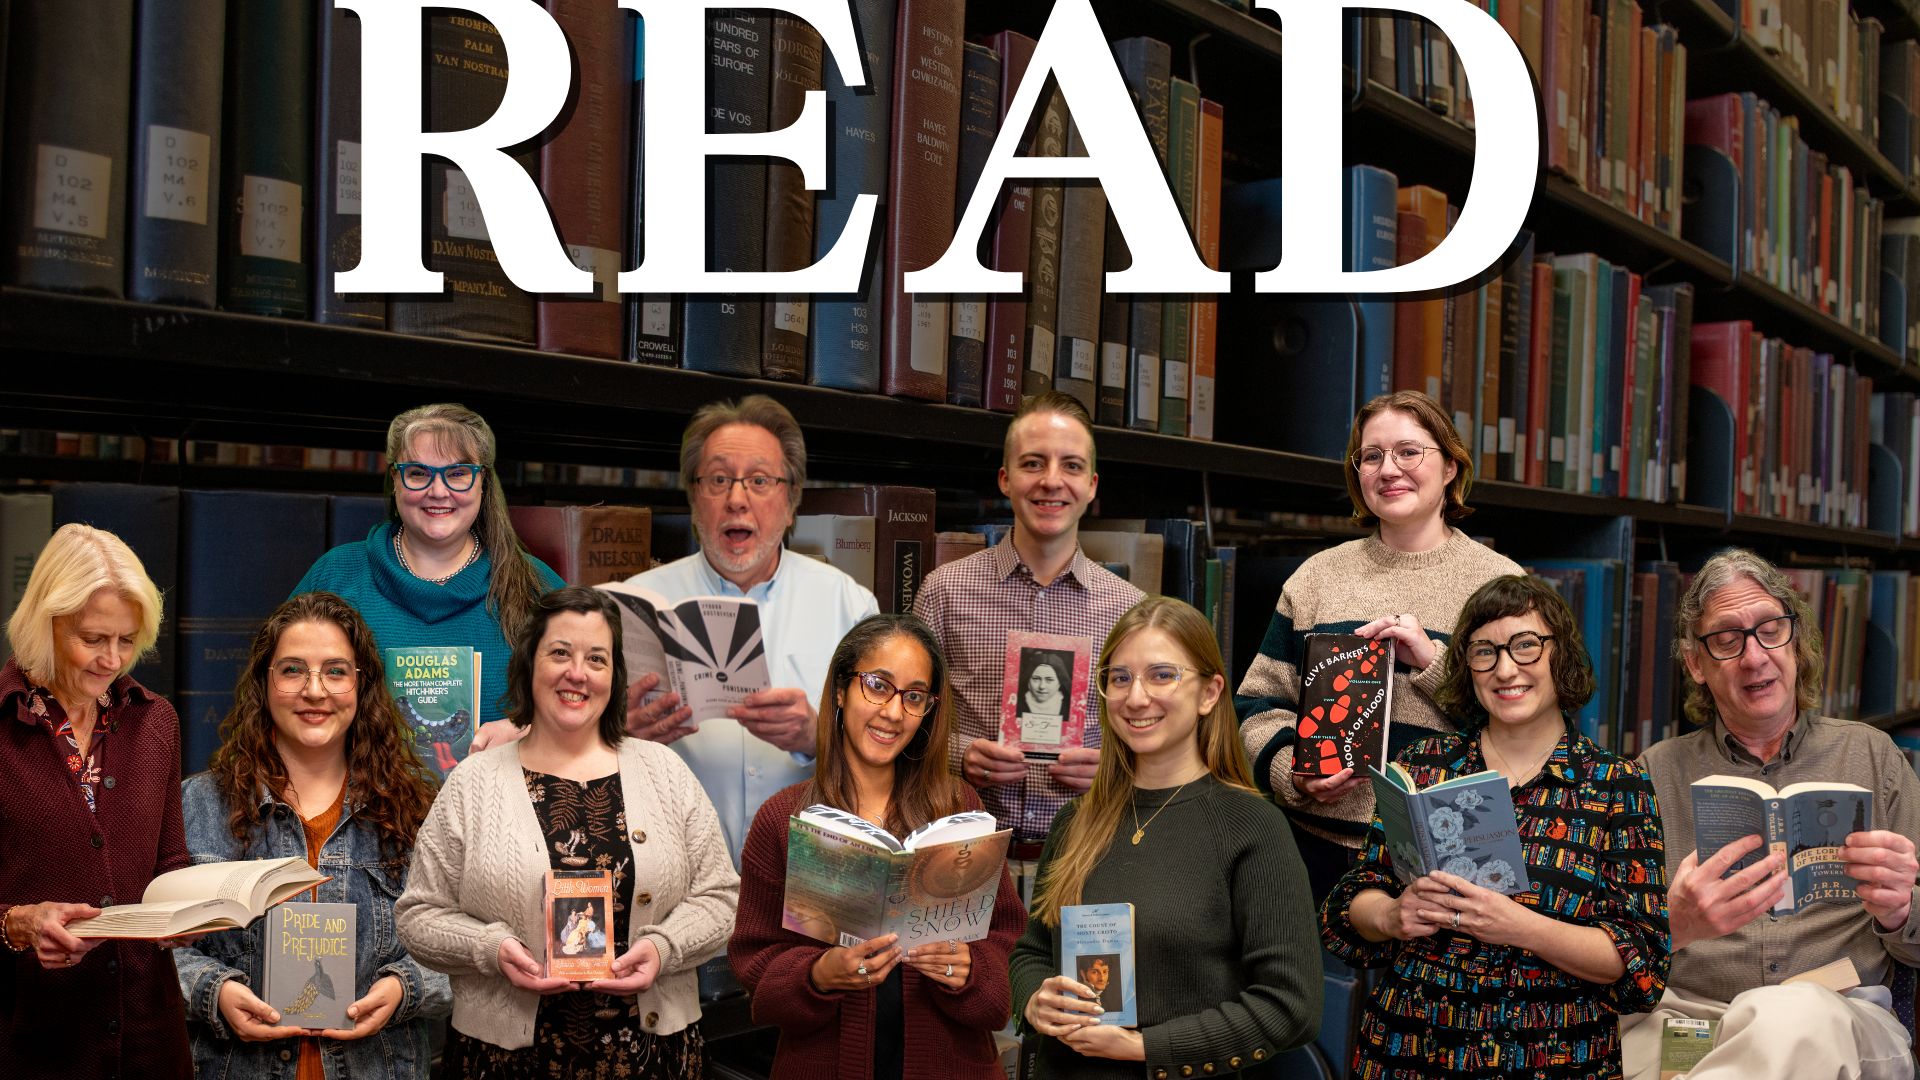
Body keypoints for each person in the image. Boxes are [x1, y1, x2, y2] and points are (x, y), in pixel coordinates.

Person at [1322, 574, 1670, 1077]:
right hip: (1409, 1050)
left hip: (1554, 1059)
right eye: (1484, 651)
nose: (1506, 669)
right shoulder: (1423, 767)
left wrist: (1520, 928)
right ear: (1468, 666)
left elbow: (1642, 962)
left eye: (1526, 646)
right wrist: (1393, 914)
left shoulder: (1617, 784)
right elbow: (1347, 907)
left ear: (1561, 655)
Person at [396, 587, 739, 1078]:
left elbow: (722, 898)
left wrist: (664, 948)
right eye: (560, 653)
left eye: (596, 659)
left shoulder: (665, 771)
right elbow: (417, 916)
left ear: (613, 676)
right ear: (529, 663)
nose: (577, 673)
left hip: (652, 1059)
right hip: (504, 1062)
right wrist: (489, 949)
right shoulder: (473, 782)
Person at [1621, 549, 1920, 1080]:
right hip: (1687, 1019)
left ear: (1796, 642)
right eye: (1727, 639)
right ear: (1696, 664)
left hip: (1838, 1016)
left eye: (1769, 630)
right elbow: (1612, 948)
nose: (1754, 657)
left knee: (1790, 1015)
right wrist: (1675, 925)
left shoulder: (1875, 758)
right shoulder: (1654, 773)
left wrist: (1899, 912)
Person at [1012, 597, 1320, 1079]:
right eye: (1120, 678)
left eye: (1161, 675)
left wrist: (1144, 1048)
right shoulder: (1075, 821)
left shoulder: (1252, 827)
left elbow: (1290, 1006)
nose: (1136, 698)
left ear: (1209, 693)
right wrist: (1034, 999)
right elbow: (1032, 950)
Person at [1236, 390, 1522, 900]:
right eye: (1372, 456)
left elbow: (1532, 729)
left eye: (1409, 451)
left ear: (1451, 467)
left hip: (1451, 858)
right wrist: (1293, 771)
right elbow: (1256, 708)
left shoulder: (1503, 587)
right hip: (1314, 849)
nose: (1389, 469)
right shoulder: (1316, 579)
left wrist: (1434, 663)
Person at [729, 613, 1025, 1080]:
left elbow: (1005, 948)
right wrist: (818, 975)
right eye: (877, 685)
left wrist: (968, 969)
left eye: (913, 697)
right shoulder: (783, 819)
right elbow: (757, 972)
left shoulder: (957, 805)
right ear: (842, 690)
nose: (892, 712)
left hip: (950, 1063)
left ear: (929, 708)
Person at [173, 592, 452, 1078]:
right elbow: (154, 950)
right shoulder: (196, 804)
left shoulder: (416, 811)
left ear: (362, 686)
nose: (315, 691)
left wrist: (405, 987)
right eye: (293, 670)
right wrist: (213, 991)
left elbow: (461, 952)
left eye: (336, 671)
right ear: (265, 682)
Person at [620, 395, 880, 864]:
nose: (737, 499)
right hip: (674, 880)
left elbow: (891, 753)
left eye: (759, 481)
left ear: (790, 499)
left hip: (807, 876)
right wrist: (620, 732)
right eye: (719, 480)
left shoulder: (849, 606)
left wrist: (817, 735)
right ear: (695, 496)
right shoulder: (637, 603)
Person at [0, 525, 191, 1079]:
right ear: (46, 622)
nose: (112, 659)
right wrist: (15, 925)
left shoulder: (156, 722)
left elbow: (169, 862)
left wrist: (190, 912)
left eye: (127, 640)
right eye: (92, 638)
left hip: (149, 1042)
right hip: (31, 1044)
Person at [914, 390, 1145, 846]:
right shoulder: (944, 592)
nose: (1051, 481)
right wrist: (960, 756)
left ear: (1093, 486)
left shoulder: (1130, 610)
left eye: (1071, 466)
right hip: (962, 855)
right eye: (1033, 463)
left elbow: (1157, 736)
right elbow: (906, 719)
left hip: (1086, 855)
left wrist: (1118, 767)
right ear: (1005, 478)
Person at [293, 402, 564, 768]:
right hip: (359, 814)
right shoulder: (335, 576)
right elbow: (277, 693)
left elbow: (595, 703)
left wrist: (531, 731)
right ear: (395, 479)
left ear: (483, 480)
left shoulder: (537, 587)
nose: (438, 491)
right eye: (419, 473)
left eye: (457, 474)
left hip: (499, 813)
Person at [1023, 652, 1069, 718]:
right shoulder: (1016, 705)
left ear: (1059, 683)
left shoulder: (1070, 708)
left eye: (1049, 680)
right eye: (1036, 679)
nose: (1042, 686)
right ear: (1028, 682)